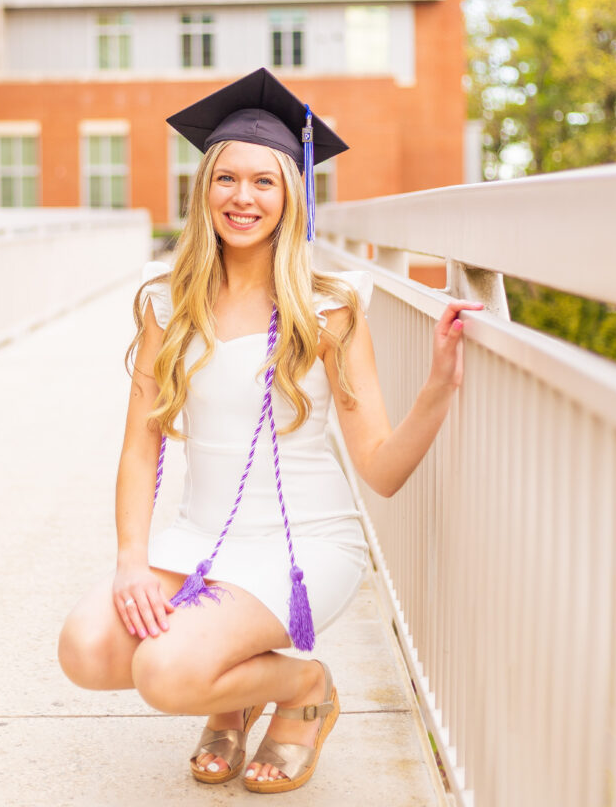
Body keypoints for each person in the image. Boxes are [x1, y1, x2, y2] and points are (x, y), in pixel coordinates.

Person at [57, 67, 483, 793]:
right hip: (199, 537)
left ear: (291, 194)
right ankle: (231, 689)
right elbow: (139, 447)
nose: (242, 198)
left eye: (264, 181)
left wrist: (438, 387)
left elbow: (379, 468)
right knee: (87, 649)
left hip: (301, 544)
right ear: (204, 190)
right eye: (226, 179)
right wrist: (133, 559)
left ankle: (301, 689)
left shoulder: (329, 310)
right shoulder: (167, 303)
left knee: (162, 671)